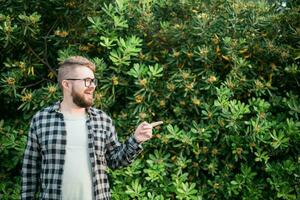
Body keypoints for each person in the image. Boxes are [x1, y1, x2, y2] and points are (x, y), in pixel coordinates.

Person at [21, 56, 163, 200]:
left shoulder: (103, 120)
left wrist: (136, 140)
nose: (93, 86)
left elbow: (115, 161)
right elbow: (30, 170)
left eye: (93, 81)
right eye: (87, 81)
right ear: (66, 84)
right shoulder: (42, 119)